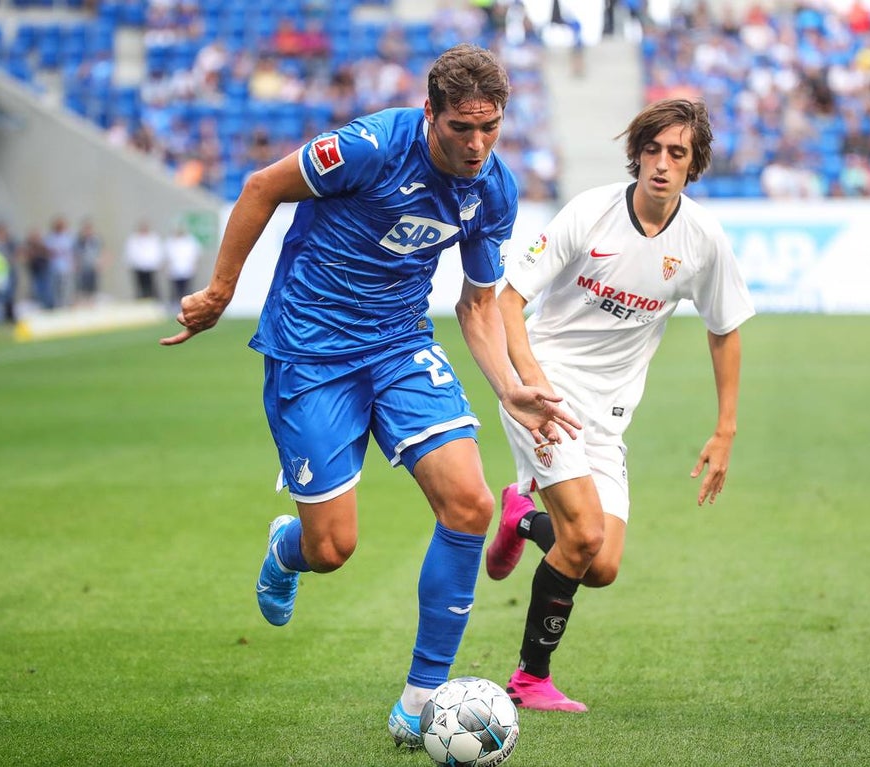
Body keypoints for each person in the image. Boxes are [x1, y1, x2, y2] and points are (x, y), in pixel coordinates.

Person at [159, 44, 581, 748]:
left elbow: (478, 305)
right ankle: (286, 548)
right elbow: (263, 185)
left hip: (399, 343)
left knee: (472, 502)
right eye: (461, 129)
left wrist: (510, 386)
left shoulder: (494, 190)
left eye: (491, 128)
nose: (477, 145)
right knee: (333, 547)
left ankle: (419, 703)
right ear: (430, 115)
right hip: (311, 350)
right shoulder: (368, 149)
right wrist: (221, 290)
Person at [484, 98, 755, 712]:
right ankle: (529, 680)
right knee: (580, 535)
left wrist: (726, 429)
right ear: (637, 155)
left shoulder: (702, 240)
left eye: (677, 154)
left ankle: (521, 516)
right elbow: (507, 301)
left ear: (694, 165)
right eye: (653, 150)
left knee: (599, 562)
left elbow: (725, 329)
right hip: (544, 391)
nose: (662, 164)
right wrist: (530, 384)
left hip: (608, 417)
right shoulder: (590, 213)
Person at [163, 221, 200, 306]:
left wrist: (194, 266)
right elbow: (167, 256)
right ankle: (175, 305)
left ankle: (188, 305)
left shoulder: (190, 241)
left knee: (187, 290)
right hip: (174, 270)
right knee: (175, 290)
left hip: (187, 269)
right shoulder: (170, 242)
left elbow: (195, 255)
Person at [124, 219, 163, 300]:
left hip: (150, 267)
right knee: (140, 287)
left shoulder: (153, 238)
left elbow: (157, 252)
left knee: (151, 286)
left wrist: (158, 263)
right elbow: (130, 252)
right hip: (138, 267)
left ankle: (153, 301)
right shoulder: (134, 239)